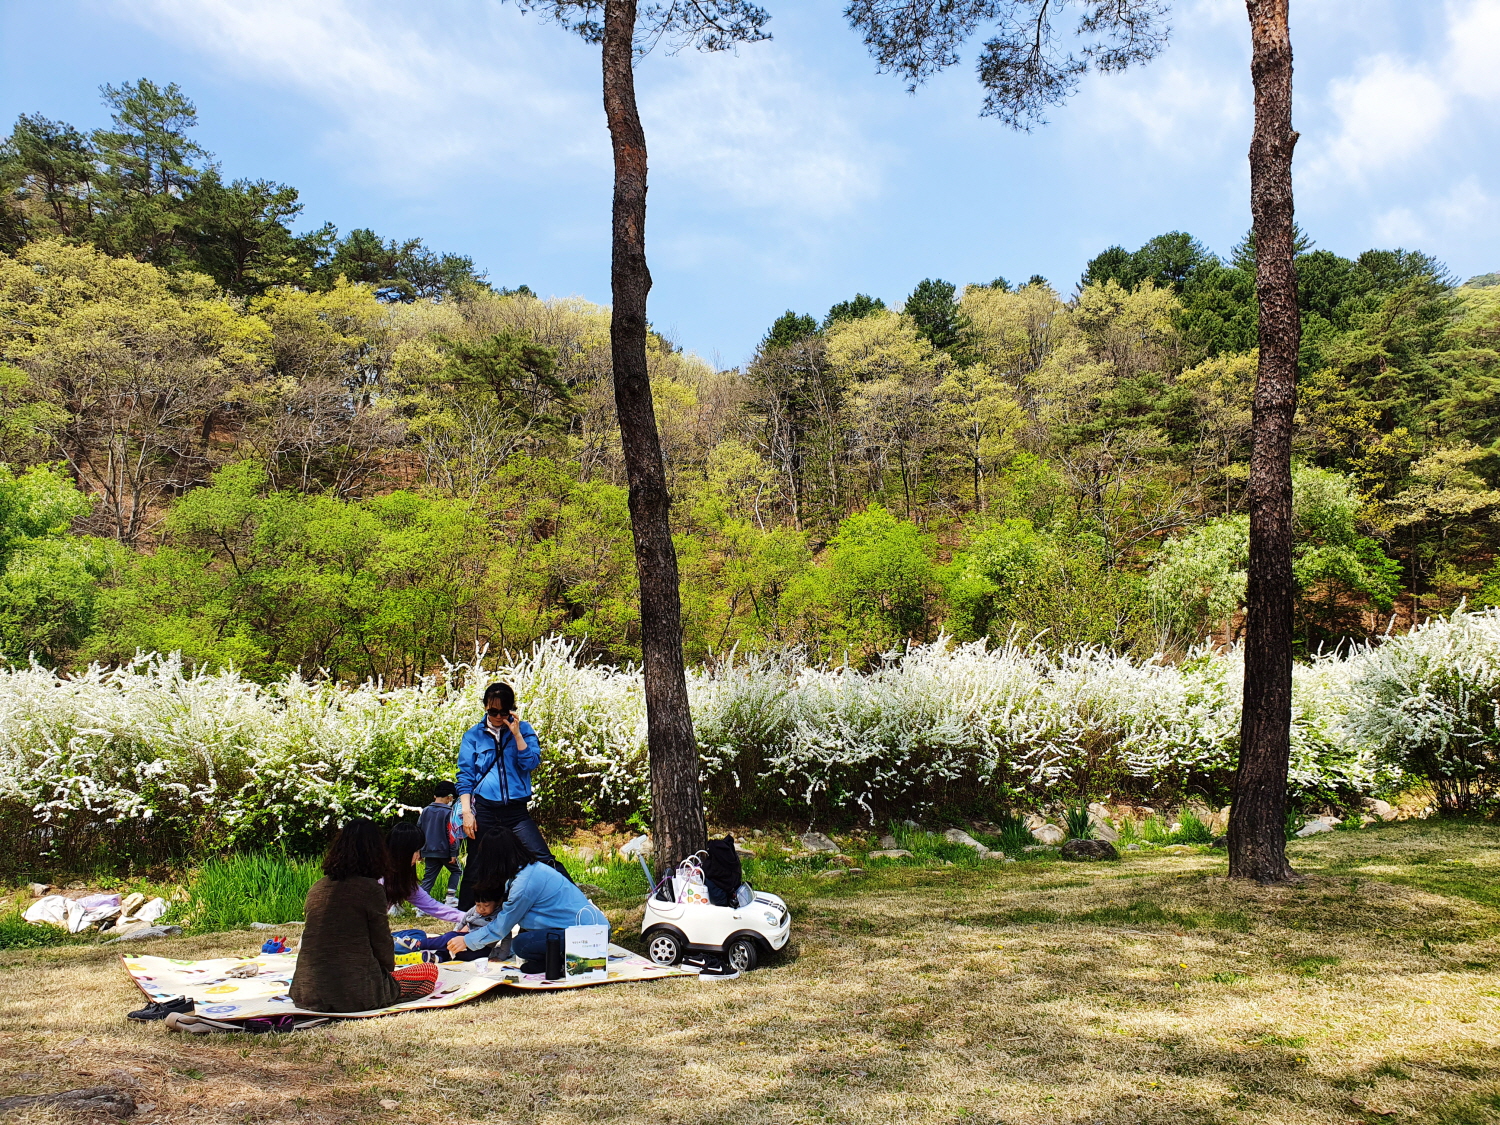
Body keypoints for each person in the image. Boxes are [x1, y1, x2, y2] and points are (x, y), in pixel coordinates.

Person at [290, 819, 438, 1013]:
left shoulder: (317, 888)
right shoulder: (371, 889)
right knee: (428, 971)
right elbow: (382, 945)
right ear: (377, 852)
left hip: (306, 992)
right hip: (355, 992)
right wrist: (385, 975)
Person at [455, 681, 568, 908]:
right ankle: (464, 918)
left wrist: (516, 735)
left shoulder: (524, 730)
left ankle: (574, 903)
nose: (498, 716)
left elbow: (530, 763)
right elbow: (465, 776)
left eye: (503, 711)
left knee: (542, 858)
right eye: (492, 711)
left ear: (511, 709)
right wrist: (467, 812)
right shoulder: (473, 735)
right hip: (485, 809)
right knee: (476, 865)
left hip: (516, 811)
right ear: (485, 708)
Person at [445, 827, 607, 975]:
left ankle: (557, 962)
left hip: (589, 935)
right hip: (588, 929)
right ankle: (552, 960)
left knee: (521, 945)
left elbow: (502, 926)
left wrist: (467, 940)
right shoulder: (529, 870)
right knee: (526, 940)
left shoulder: (524, 885)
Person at [384, 824, 465, 925]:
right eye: (416, 851)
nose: (418, 856)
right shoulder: (376, 878)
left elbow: (433, 907)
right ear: (403, 851)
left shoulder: (403, 881)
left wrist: (469, 918)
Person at [418, 781, 463, 904]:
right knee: (457, 871)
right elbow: (452, 834)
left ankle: (421, 904)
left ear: (435, 796)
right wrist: (454, 853)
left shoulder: (425, 811)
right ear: (449, 797)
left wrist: (419, 850)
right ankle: (450, 898)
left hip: (428, 851)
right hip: (445, 852)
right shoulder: (449, 812)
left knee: (428, 878)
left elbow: (419, 831)